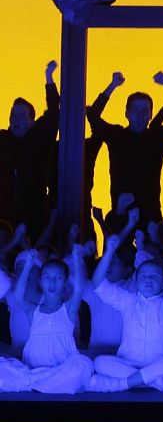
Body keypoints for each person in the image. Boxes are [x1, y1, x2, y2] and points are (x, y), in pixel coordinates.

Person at [86, 225, 163, 392]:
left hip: (160, 364)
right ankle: (153, 382)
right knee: (99, 362)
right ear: (135, 280)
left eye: (155, 276)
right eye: (143, 276)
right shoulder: (128, 301)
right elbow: (98, 283)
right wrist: (109, 251)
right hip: (129, 363)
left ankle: (122, 384)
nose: (149, 280)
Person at [88, 72, 163, 226]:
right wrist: (112, 85)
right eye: (134, 110)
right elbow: (92, 115)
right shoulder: (117, 136)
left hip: (151, 214)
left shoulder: (157, 136)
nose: (139, 116)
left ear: (150, 115)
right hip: (121, 212)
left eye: (144, 111)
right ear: (126, 113)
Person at [2, 245, 93, 393]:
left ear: (65, 283)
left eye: (58, 277)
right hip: (35, 370)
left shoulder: (68, 309)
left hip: (60, 370)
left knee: (83, 364)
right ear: (40, 282)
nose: (52, 282)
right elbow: (18, 295)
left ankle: (38, 385)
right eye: (47, 277)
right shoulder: (33, 311)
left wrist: (77, 258)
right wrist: (28, 266)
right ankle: (45, 385)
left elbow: (78, 289)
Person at [0, 61, 59, 233]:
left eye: (20, 115)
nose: (15, 118)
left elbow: (54, 112)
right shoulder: (3, 139)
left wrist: (49, 78)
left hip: (33, 216)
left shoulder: (38, 139)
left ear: (32, 122)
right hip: (4, 217)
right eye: (13, 114)